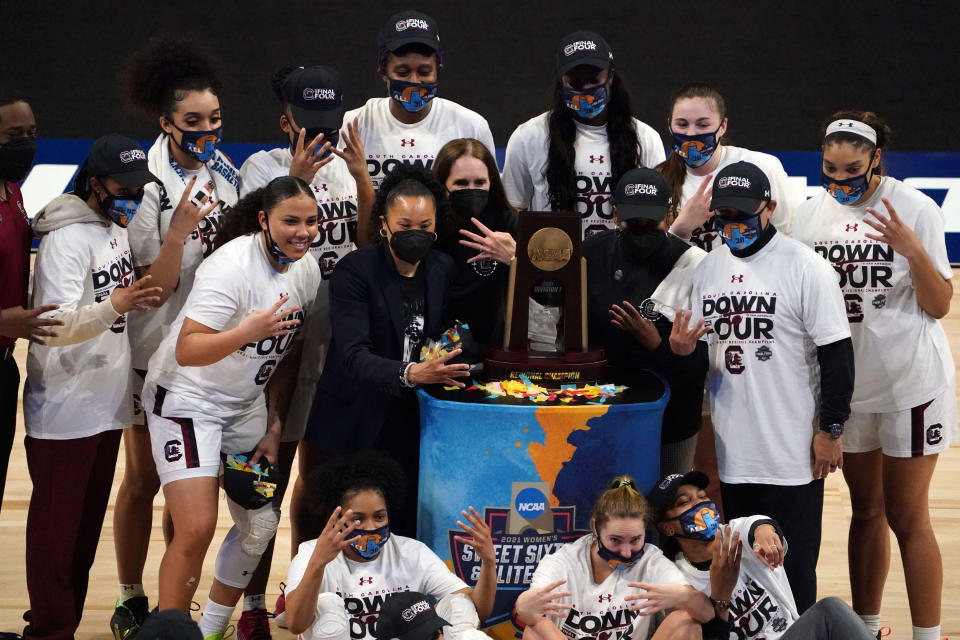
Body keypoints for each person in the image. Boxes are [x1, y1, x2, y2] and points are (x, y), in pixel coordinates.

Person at [792, 112, 956, 640]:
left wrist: (912, 252)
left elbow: (940, 305)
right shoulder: (808, 214)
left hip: (910, 384)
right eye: (830, 170)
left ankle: (927, 636)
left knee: (908, 516)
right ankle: (862, 630)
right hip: (850, 390)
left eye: (852, 170)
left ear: (876, 159)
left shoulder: (915, 209)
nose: (840, 182)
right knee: (866, 509)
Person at [670, 161, 854, 613]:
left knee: (793, 570)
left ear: (769, 209)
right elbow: (703, 358)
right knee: (742, 572)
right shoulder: (707, 269)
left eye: (743, 216)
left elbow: (838, 355)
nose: (733, 227)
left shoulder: (805, 267)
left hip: (792, 453)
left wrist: (830, 430)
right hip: (735, 453)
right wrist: (681, 351)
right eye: (724, 217)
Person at [142, 176, 321, 640]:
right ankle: (170, 633)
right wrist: (248, 332)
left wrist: (274, 422)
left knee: (261, 523)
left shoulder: (307, 270)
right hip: (186, 398)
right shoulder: (231, 266)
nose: (302, 232)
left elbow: (289, 352)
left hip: (244, 408)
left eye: (311, 221)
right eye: (290, 221)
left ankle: (213, 628)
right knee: (197, 526)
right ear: (264, 220)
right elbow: (188, 349)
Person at [238, 63, 374, 639]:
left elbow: (367, 244)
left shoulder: (348, 166)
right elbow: (246, 248)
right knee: (267, 484)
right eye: (306, 125)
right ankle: (249, 604)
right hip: (282, 343)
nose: (318, 137)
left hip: (339, 343)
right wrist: (293, 180)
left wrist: (364, 181)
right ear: (285, 120)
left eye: (328, 124)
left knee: (316, 484)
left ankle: (300, 589)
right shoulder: (259, 169)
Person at [112, 36, 240, 639]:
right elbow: (149, 286)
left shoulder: (226, 173)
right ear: (166, 123)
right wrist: (177, 234)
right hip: (151, 351)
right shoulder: (148, 181)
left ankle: (173, 608)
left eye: (214, 119)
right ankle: (132, 596)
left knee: (185, 488)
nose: (207, 130)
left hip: (206, 352)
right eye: (193, 121)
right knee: (143, 481)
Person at [21, 135, 163, 640]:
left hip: (104, 406)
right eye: (124, 190)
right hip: (65, 409)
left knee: (81, 536)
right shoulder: (66, 238)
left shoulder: (113, 228)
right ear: (96, 183)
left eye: (139, 190)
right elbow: (52, 326)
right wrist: (116, 306)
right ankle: (48, 630)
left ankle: (64, 622)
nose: (133, 199)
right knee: (56, 535)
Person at [301, 165, 468, 538]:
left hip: (409, 421)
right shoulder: (355, 271)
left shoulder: (441, 267)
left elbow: (448, 331)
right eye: (405, 225)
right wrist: (411, 373)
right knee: (336, 528)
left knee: (403, 521)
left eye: (425, 227)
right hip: (353, 419)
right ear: (384, 225)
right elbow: (352, 355)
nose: (416, 234)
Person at [284, 451, 495, 640]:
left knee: (459, 605)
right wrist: (318, 564)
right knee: (326, 607)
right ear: (337, 516)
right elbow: (295, 624)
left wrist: (488, 563)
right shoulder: (311, 553)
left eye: (379, 517)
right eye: (358, 518)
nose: (370, 527)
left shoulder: (411, 551)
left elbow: (476, 610)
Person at [582, 167, 708, 476]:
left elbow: (702, 367)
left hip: (672, 418)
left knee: (664, 507)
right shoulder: (591, 254)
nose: (641, 228)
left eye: (650, 221)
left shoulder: (696, 265)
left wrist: (656, 344)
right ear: (615, 214)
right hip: (601, 413)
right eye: (633, 221)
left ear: (670, 213)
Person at [650, 471, 877, 640]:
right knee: (831, 610)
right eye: (684, 502)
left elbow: (757, 525)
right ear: (667, 528)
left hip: (792, 633)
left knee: (831, 611)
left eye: (702, 496)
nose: (700, 505)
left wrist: (765, 535)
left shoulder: (733, 533)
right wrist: (720, 595)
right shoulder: (678, 577)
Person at [346, 9, 495, 246]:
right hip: (374, 259)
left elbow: (490, 207)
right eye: (403, 72)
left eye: (425, 72)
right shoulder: (353, 125)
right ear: (383, 73)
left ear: (439, 70)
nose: (414, 81)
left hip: (447, 262)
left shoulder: (471, 126)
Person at [501, 31, 665, 240]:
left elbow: (659, 216)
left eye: (593, 80)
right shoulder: (528, 137)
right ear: (561, 81)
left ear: (611, 76)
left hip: (624, 263)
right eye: (575, 82)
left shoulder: (645, 138)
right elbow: (514, 210)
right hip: (554, 263)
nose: (585, 90)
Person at [514, 476, 719, 640]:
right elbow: (527, 613)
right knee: (536, 630)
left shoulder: (651, 560)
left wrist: (683, 597)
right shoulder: (562, 562)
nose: (627, 552)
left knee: (685, 621)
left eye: (635, 540)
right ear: (595, 528)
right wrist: (524, 606)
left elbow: (707, 614)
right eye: (615, 540)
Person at [0, 92, 64, 518]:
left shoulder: (13, 193)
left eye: (32, 133)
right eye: (13, 135)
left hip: (5, 365)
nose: (26, 143)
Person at [661, 83, 798, 251]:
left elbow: (789, 238)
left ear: (723, 126)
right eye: (682, 124)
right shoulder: (659, 179)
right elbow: (652, 260)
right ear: (670, 126)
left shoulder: (763, 167)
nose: (691, 134)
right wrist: (679, 229)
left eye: (703, 125)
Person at [431, 137, 518, 351]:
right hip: (436, 347)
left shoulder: (508, 222)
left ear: (492, 182)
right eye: (461, 183)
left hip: (496, 345)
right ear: (442, 185)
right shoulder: (429, 224)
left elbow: (543, 290)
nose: (472, 190)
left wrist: (516, 259)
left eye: (480, 183)